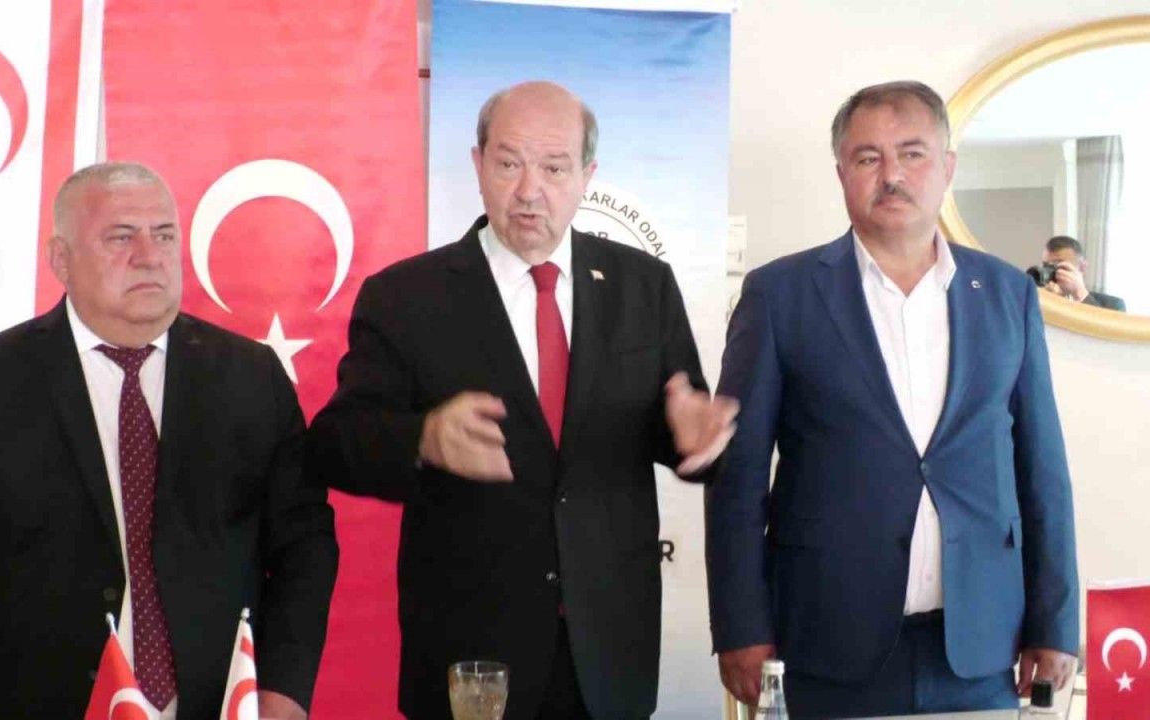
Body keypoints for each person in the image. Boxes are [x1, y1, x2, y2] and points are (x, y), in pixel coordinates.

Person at [306, 81, 738, 720]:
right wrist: (422, 438)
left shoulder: (642, 286)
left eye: (555, 168)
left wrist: (696, 443)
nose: (530, 190)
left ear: (587, 175)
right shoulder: (406, 296)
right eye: (509, 163)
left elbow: (683, 431)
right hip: (470, 653)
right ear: (477, 164)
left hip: (608, 652)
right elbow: (335, 444)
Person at [0, 162, 338, 720]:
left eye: (164, 235)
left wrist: (284, 691)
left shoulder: (251, 377)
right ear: (61, 259)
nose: (150, 256)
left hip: (213, 703)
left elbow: (304, 544)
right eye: (121, 237)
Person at [706, 81, 1079, 718]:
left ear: (947, 167)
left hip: (982, 643)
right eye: (868, 158)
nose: (892, 176)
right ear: (841, 173)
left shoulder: (1007, 296)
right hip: (826, 638)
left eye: (912, 154)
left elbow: (1042, 469)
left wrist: (1056, 622)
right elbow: (737, 476)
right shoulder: (780, 295)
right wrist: (741, 626)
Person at [1033, 234, 1126, 311]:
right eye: (1046, 266)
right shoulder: (1037, 300)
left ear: (1082, 268)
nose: (1050, 271)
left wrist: (1079, 293)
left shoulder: (1114, 305)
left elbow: (1103, 328)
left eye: (1058, 265)